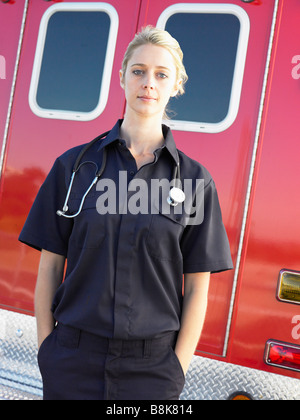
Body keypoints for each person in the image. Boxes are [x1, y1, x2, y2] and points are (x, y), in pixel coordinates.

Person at [19, 26, 233, 400]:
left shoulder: (197, 181)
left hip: (151, 371)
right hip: (71, 361)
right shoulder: (73, 167)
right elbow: (50, 267)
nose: (148, 82)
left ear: (175, 85)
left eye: (161, 74)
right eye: (138, 71)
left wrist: (176, 369)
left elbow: (198, 286)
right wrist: (47, 351)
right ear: (122, 78)